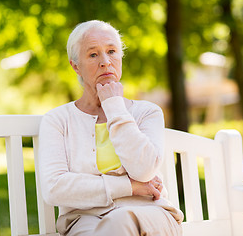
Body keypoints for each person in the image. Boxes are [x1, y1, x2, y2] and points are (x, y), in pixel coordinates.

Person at [39, 20, 184, 236]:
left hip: (150, 215)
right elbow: (55, 188)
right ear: (75, 66)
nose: (106, 62)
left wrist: (114, 107)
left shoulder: (147, 113)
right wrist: (130, 187)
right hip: (85, 220)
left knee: (121, 220)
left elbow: (144, 170)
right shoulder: (57, 120)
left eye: (112, 51)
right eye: (93, 55)